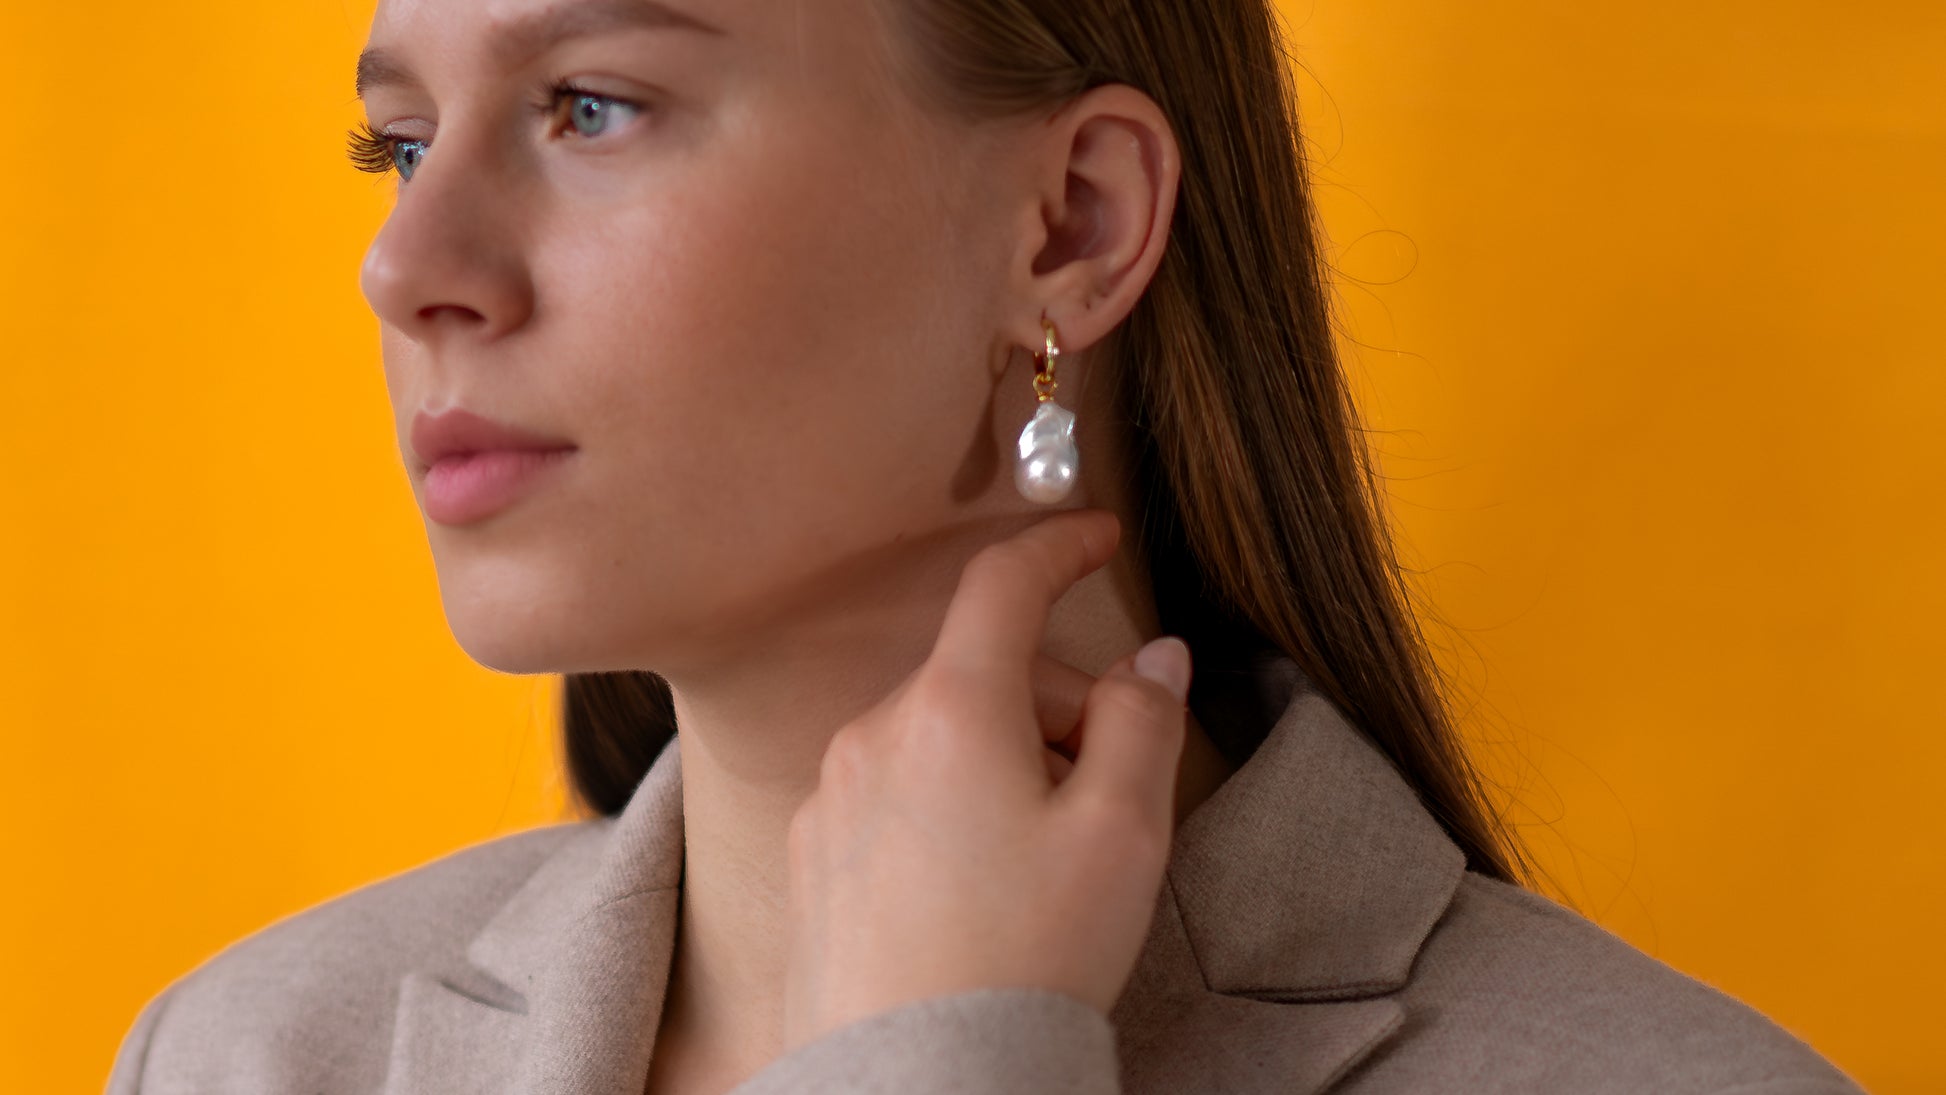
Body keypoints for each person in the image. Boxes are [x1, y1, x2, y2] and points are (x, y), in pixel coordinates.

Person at [106, 0, 1867, 1092]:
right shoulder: (252, 1059)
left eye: (590, 105)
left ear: (1069, 225)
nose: (406, 265)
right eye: (395, 142)